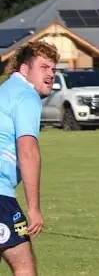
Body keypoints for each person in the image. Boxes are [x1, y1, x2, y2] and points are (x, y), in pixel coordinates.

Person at [0, 41, 58, 276]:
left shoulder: (4, 91)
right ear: (25, 69)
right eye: (44, 67)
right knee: (24, 265)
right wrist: (34, 208)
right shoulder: (26, 95)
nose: (50, 74)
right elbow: (28, 150)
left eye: (54, 69)